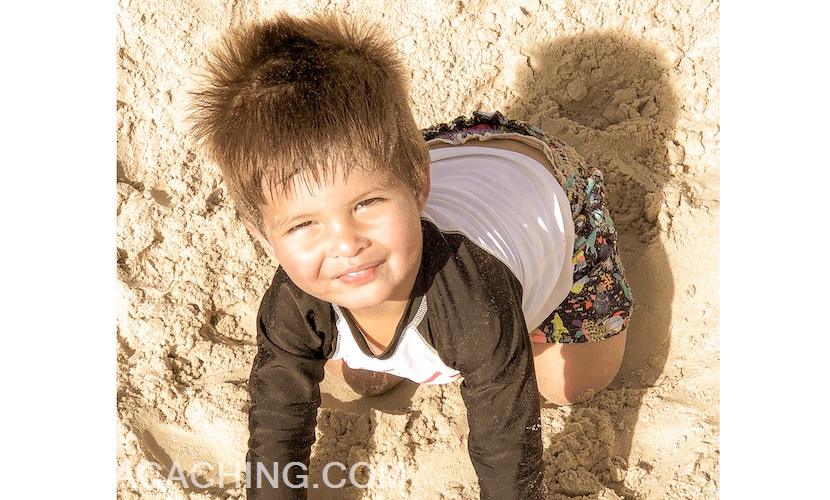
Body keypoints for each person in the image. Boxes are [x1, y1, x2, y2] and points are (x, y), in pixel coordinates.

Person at [188, 12, 632, 500]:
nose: (345, 243)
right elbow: (277, 428)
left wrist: (501, 342)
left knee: (570, 384)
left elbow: (506, 453)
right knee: (360, 375)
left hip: (544, 187)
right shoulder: (294, 305)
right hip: (423, 159)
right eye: (303, 225)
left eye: (366, 204)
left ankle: (510, 323)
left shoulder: (475, 299)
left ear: (418, 186)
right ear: (263, 236)